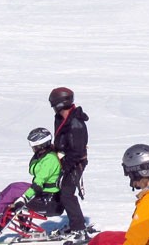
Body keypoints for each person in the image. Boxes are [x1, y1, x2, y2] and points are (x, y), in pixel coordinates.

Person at [0, 128, 63, 245]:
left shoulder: (49, 160)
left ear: (40, 145)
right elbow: (33, 170)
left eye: (33, 145)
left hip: (47, 199)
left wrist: (23, 199)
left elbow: (38, 182)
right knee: (13, 187)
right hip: (45, 193)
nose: (32, 148)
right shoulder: (45, 156)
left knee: (13, 191)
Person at [51, 87, 91, 241]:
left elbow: (77, 151)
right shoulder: (61, 118)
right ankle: (74, 223)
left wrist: (65, 168)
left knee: (67, 194)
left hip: (75, 163)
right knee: (62, 192)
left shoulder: (75, 123)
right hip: (66, 161)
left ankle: (79, 228)